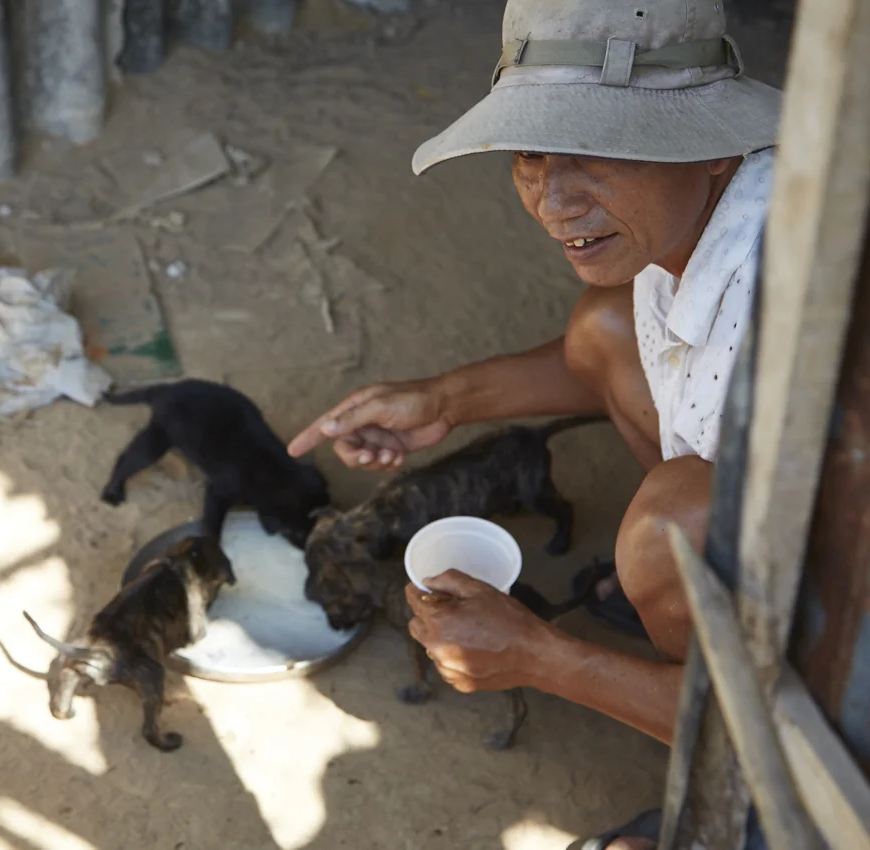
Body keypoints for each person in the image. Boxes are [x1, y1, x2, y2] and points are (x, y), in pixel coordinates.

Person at [287, 0, 780, 846]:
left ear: (712, 143)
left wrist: (543, 658)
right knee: (606, 326)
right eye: (532, 152)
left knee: (671, 526)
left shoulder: (792, 320)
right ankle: (682, 638)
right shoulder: (719, 208)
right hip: (782, 529)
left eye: (598, 154)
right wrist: (443, 401)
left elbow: (832, 706)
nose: (553, 200)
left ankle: (753, 820)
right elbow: (608, 354)